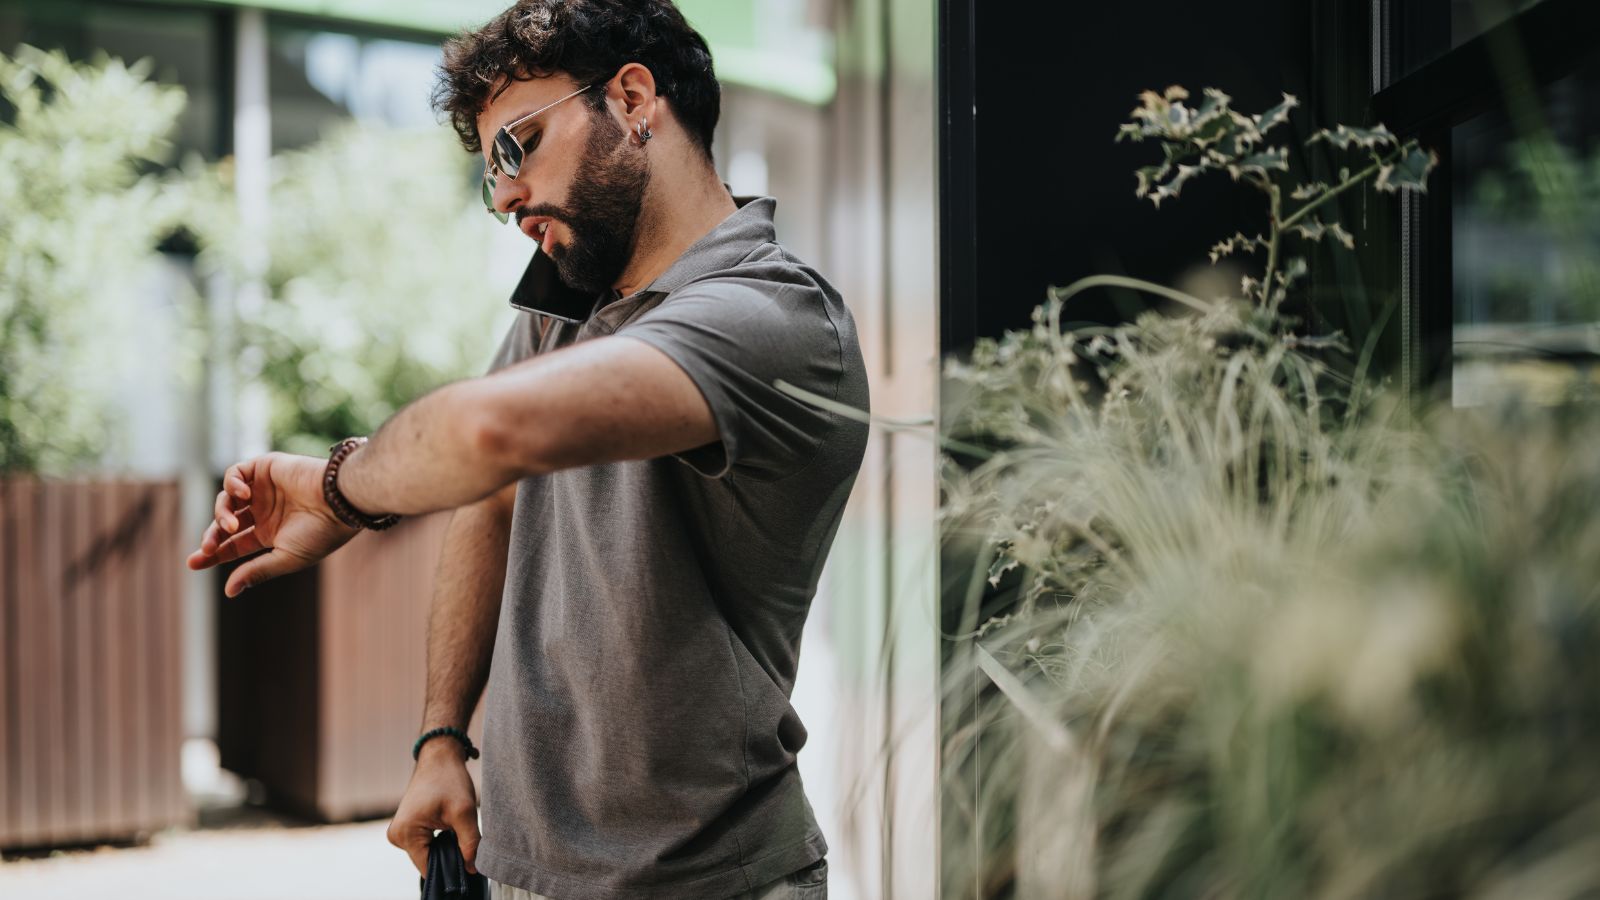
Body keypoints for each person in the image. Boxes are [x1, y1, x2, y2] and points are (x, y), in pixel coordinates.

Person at [184, 2, 868, 898]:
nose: (504, 194)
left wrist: (338, 491)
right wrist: (441, 737)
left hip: (706, 878)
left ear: (632, 99)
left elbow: (487, 434)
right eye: (489, 173)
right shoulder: (564, 302)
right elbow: (495, 494)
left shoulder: (772, 316)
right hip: (516, 866)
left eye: (517, 146)